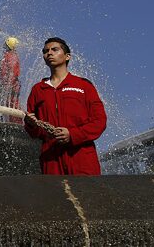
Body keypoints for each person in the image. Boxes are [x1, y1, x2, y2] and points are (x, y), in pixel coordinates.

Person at [24, 38, 107, 175]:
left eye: (54, 49)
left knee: (88, 195)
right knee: (56, 196)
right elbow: (34, 132)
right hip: (51, 159)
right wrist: (31, 124)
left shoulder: (83, 85)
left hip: (82, 157)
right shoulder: (37, 90)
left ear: (67, 56)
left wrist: (73, 135)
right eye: (45, 51)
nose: (49, 53)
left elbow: (99, 121)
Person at [0, 37, 22, 110]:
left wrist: (8, 87)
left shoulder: (11, 57)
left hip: (11, 87)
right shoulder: (8, 56)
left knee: (12, 105)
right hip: (10, 86)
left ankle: (18, 120)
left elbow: (14, 73)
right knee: (9, 105)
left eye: (5, 45)